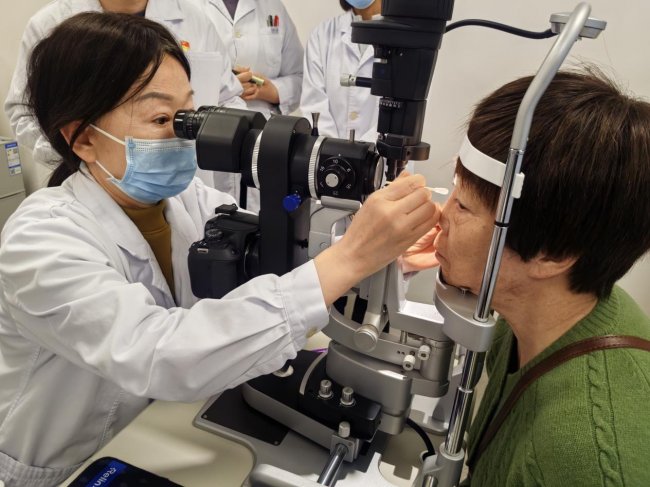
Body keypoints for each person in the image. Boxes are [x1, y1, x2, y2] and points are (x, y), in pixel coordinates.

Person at [0, 12, 439, 487]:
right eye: (162, 119)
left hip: (158, 431)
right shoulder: (40, 241)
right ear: (83, 138)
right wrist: (350, 257)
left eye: (190, 114)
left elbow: (275, 258)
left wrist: (376, 253)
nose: (184, 134)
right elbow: (159, 352)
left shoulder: (185, 199)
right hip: (65, 467)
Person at [434, 69, 650, 485]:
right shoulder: (520, 325)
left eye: (463, 206)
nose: (441, 215)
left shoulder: (588, 459)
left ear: (552, 254)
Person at [4, 0, 245, 193]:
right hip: (94, 183)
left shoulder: (196, 19)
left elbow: (228, 97)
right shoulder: (50, 22)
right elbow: (24, 111)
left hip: (190, 180)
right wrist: (91, 156)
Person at [194, 0, 304, 211]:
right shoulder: (189, 7)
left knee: (260, 217)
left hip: (262, 139)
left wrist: (273, 90)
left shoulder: (273, 7)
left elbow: (299, 77)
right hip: (210, 132)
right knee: (209, 213)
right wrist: (227, 85)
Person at [300, 0, 382, 142]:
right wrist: (332, 150)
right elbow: (314, 105)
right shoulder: (322, 35)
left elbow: (401, 116)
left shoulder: (407, 38)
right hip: (326, 152)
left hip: (382, 155)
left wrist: (365, 153)